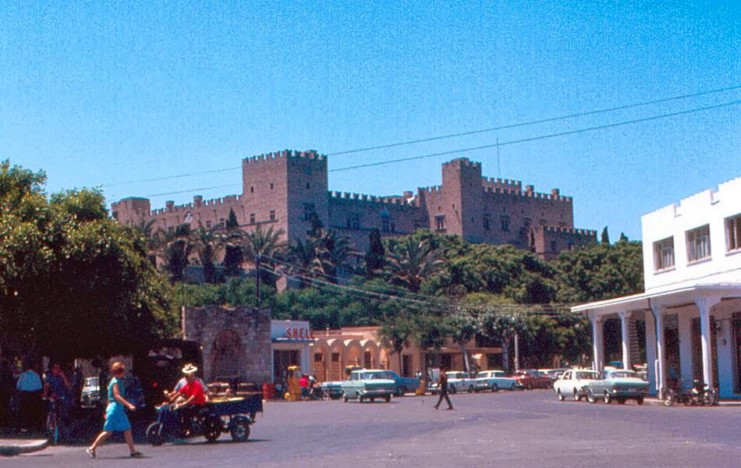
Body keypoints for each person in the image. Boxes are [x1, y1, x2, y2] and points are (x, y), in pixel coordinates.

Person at [87, 362, 143, 459]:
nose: (124, 373)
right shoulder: (115, 382)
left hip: (118, 409)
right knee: (108, 431)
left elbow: (109, 398)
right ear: (119, 372)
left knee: (127, 429)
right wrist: (129, 405)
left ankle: (133, 451)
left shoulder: (118, 381)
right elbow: (116, 396)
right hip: (115, 409)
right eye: (122, 371)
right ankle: (92, 448)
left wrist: (106, 410)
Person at [171, 364, 207, 436]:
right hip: (190, 403)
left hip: (198, 404)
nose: (186, 379)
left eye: (188, 378)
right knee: (179, 411)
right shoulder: (186, 384)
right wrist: (172, 398)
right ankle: (182, 427)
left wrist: (184, 403)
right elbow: (179, 392)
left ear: (192, 378)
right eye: (186, 377)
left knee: (186, 412)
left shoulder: (197, 384)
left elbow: (193, 397)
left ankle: (189, 429)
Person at [16, 361, 43, 432]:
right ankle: (31, 426)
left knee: (23, 410)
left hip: (24, 394)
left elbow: (18, 386)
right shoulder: (36, 375)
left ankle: (23, 426)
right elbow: (40, 386)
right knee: (32, 410)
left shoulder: (23, 375)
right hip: (33, 395)